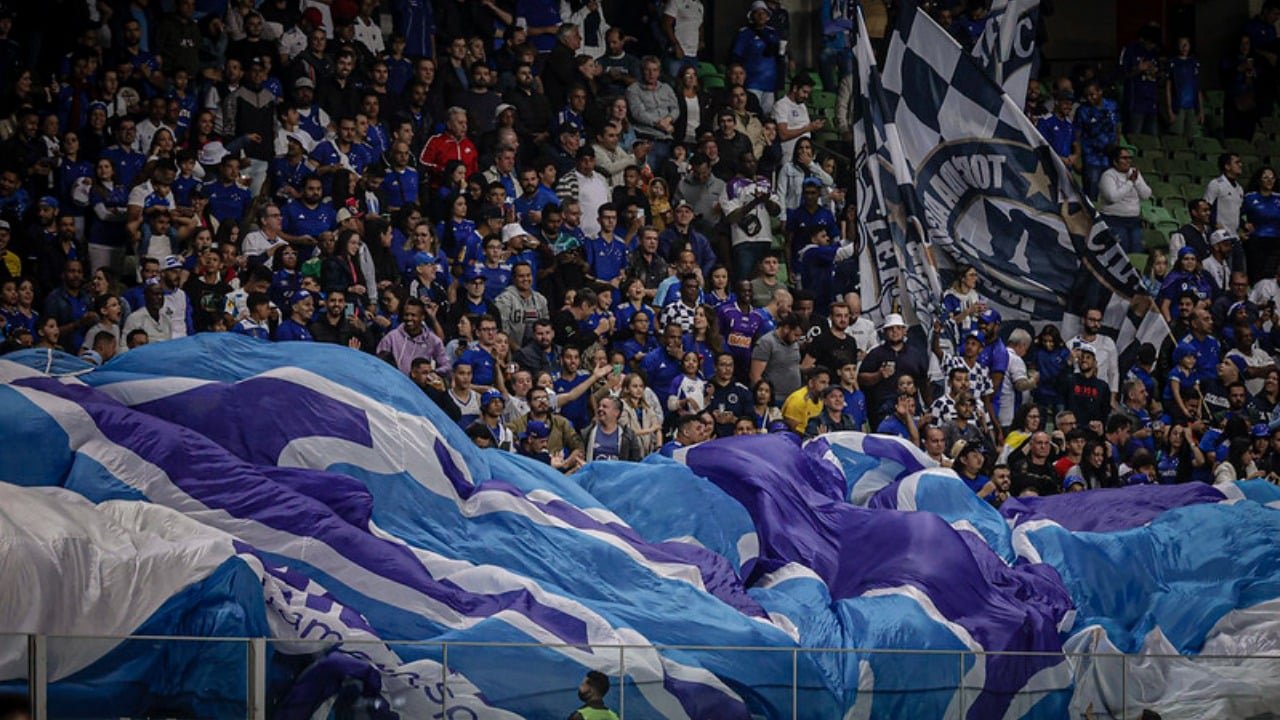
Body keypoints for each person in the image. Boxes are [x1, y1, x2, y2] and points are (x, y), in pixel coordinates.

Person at [1097, 145, 1151, 254]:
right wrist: (1130, 182)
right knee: (1122, 253)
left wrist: (1136, 182)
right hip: (1114, 221)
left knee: (1137, 252)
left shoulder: (1134, 173)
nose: (1128, 161)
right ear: (1115, 161)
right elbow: (1112, 197)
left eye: (1129, 158)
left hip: (1134, 221)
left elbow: (1146, 195)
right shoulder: (1108, 175)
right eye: (1124, 158)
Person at [581, 395, 643, 462]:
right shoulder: (587, 432)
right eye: (599, 406)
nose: (600, 409)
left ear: (616, 412)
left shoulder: (629, 435)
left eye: (605, 407)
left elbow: (635, 461)